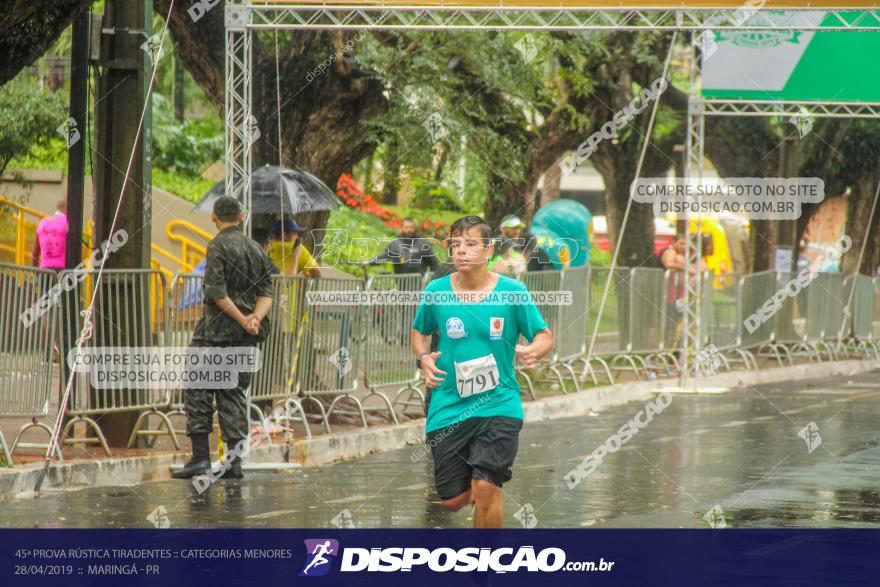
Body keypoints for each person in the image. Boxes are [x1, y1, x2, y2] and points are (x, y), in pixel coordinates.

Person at [411, 215, 554, 528]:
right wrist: (424, 357)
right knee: (452, 501)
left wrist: (533, 350)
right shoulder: (436, 291)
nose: (461, 250)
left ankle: (485, 566)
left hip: (499, 401)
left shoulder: (512, 292)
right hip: (449, 404)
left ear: (488, 251)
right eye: (456, 244)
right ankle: (480, 491)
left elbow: (544, 336)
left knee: (486, 487)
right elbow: (419, 331)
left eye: (471, 244)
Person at [172, 196, 274, 481]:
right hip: (245, 338)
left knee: (198, 392)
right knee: (233, 396)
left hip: (214, 335)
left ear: (214, 217)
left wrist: (241, 318)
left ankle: (201, 459)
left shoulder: (217, 245)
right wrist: (253, 318)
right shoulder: (256, 249)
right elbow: (268, 292)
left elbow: (216, 293)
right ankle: (233, 462)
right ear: (241, 217)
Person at [370, 217, 439, 275]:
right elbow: (383, 257)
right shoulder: (395, 243)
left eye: (411, 227)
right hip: (401, 284)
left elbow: (434, 263)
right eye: (406, 227)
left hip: (419, 285)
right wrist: (369, 263)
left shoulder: (423, 243)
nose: (409, 230)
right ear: (401, 228)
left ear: (415, 228)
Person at [32, 197, 68, 269]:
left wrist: (36, 271)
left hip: (44, 270)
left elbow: (35, 252)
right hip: (63, 270)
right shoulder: (67, 222)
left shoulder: (42, 222)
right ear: (67, 207)